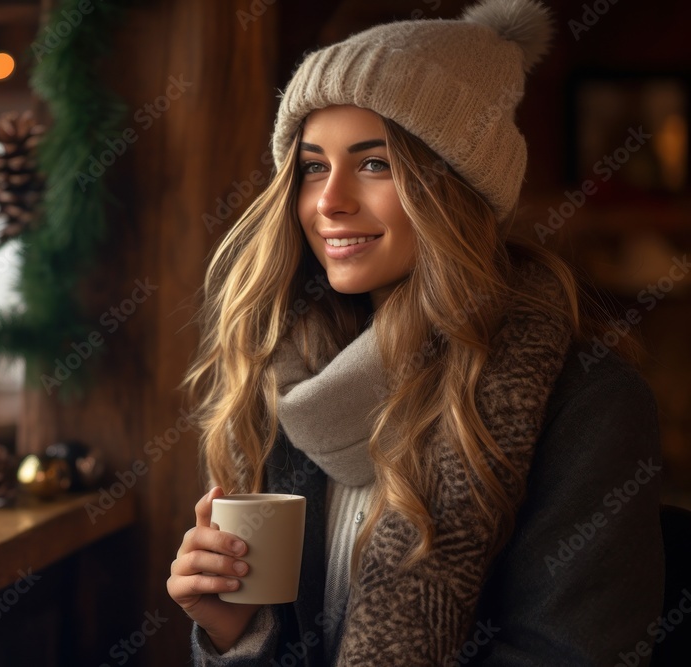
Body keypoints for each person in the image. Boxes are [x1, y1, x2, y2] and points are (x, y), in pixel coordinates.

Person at [166, 0, 666, 665]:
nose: (330, 201)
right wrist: (235, 634)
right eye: (314, 166)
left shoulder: (589, 402)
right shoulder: (280, 377)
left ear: (457, 190)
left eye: (376, 164)